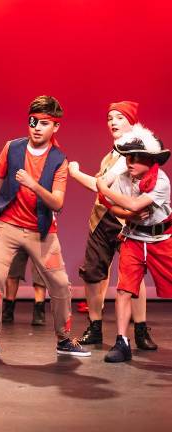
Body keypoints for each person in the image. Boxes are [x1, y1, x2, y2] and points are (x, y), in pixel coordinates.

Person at [0, 96, 90, 361]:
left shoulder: (59, 160)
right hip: (6, 225)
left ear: (55, 127)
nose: (37, 128)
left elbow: (57, 202)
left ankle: (64, 339)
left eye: (44, 123)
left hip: (41, 231)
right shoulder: (12, 148)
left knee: (61, 284)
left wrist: (34, 185)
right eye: (33, 121)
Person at [68, 101, 157, 350]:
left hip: (128, 219)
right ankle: (95, 326)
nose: (113, 122)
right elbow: (103, 188)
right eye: (110, 118)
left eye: (119, 117)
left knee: (133, 275)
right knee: (93, 272)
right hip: (102, 218)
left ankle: (140, 329)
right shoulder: (111, 155)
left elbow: (100, 185)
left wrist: (74, 172)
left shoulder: (136, 151)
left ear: (131, 122)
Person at [94, 125, 171, 362]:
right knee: (124, 289)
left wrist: (103, 188)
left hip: (161, 240)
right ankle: (122, 342)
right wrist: (128, 215)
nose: (130, 162)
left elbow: (134, 204)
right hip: (133, 238)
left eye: (137, 158)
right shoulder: (123, 179)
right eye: (128, 157)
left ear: (150, 160)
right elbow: (115, 208)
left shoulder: (161, 181)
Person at [0, 210, 47, 326]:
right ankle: (9, 309)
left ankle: (39, 311)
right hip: (16, 229)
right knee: (12, 271)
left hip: (39, 230)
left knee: (39, 272)